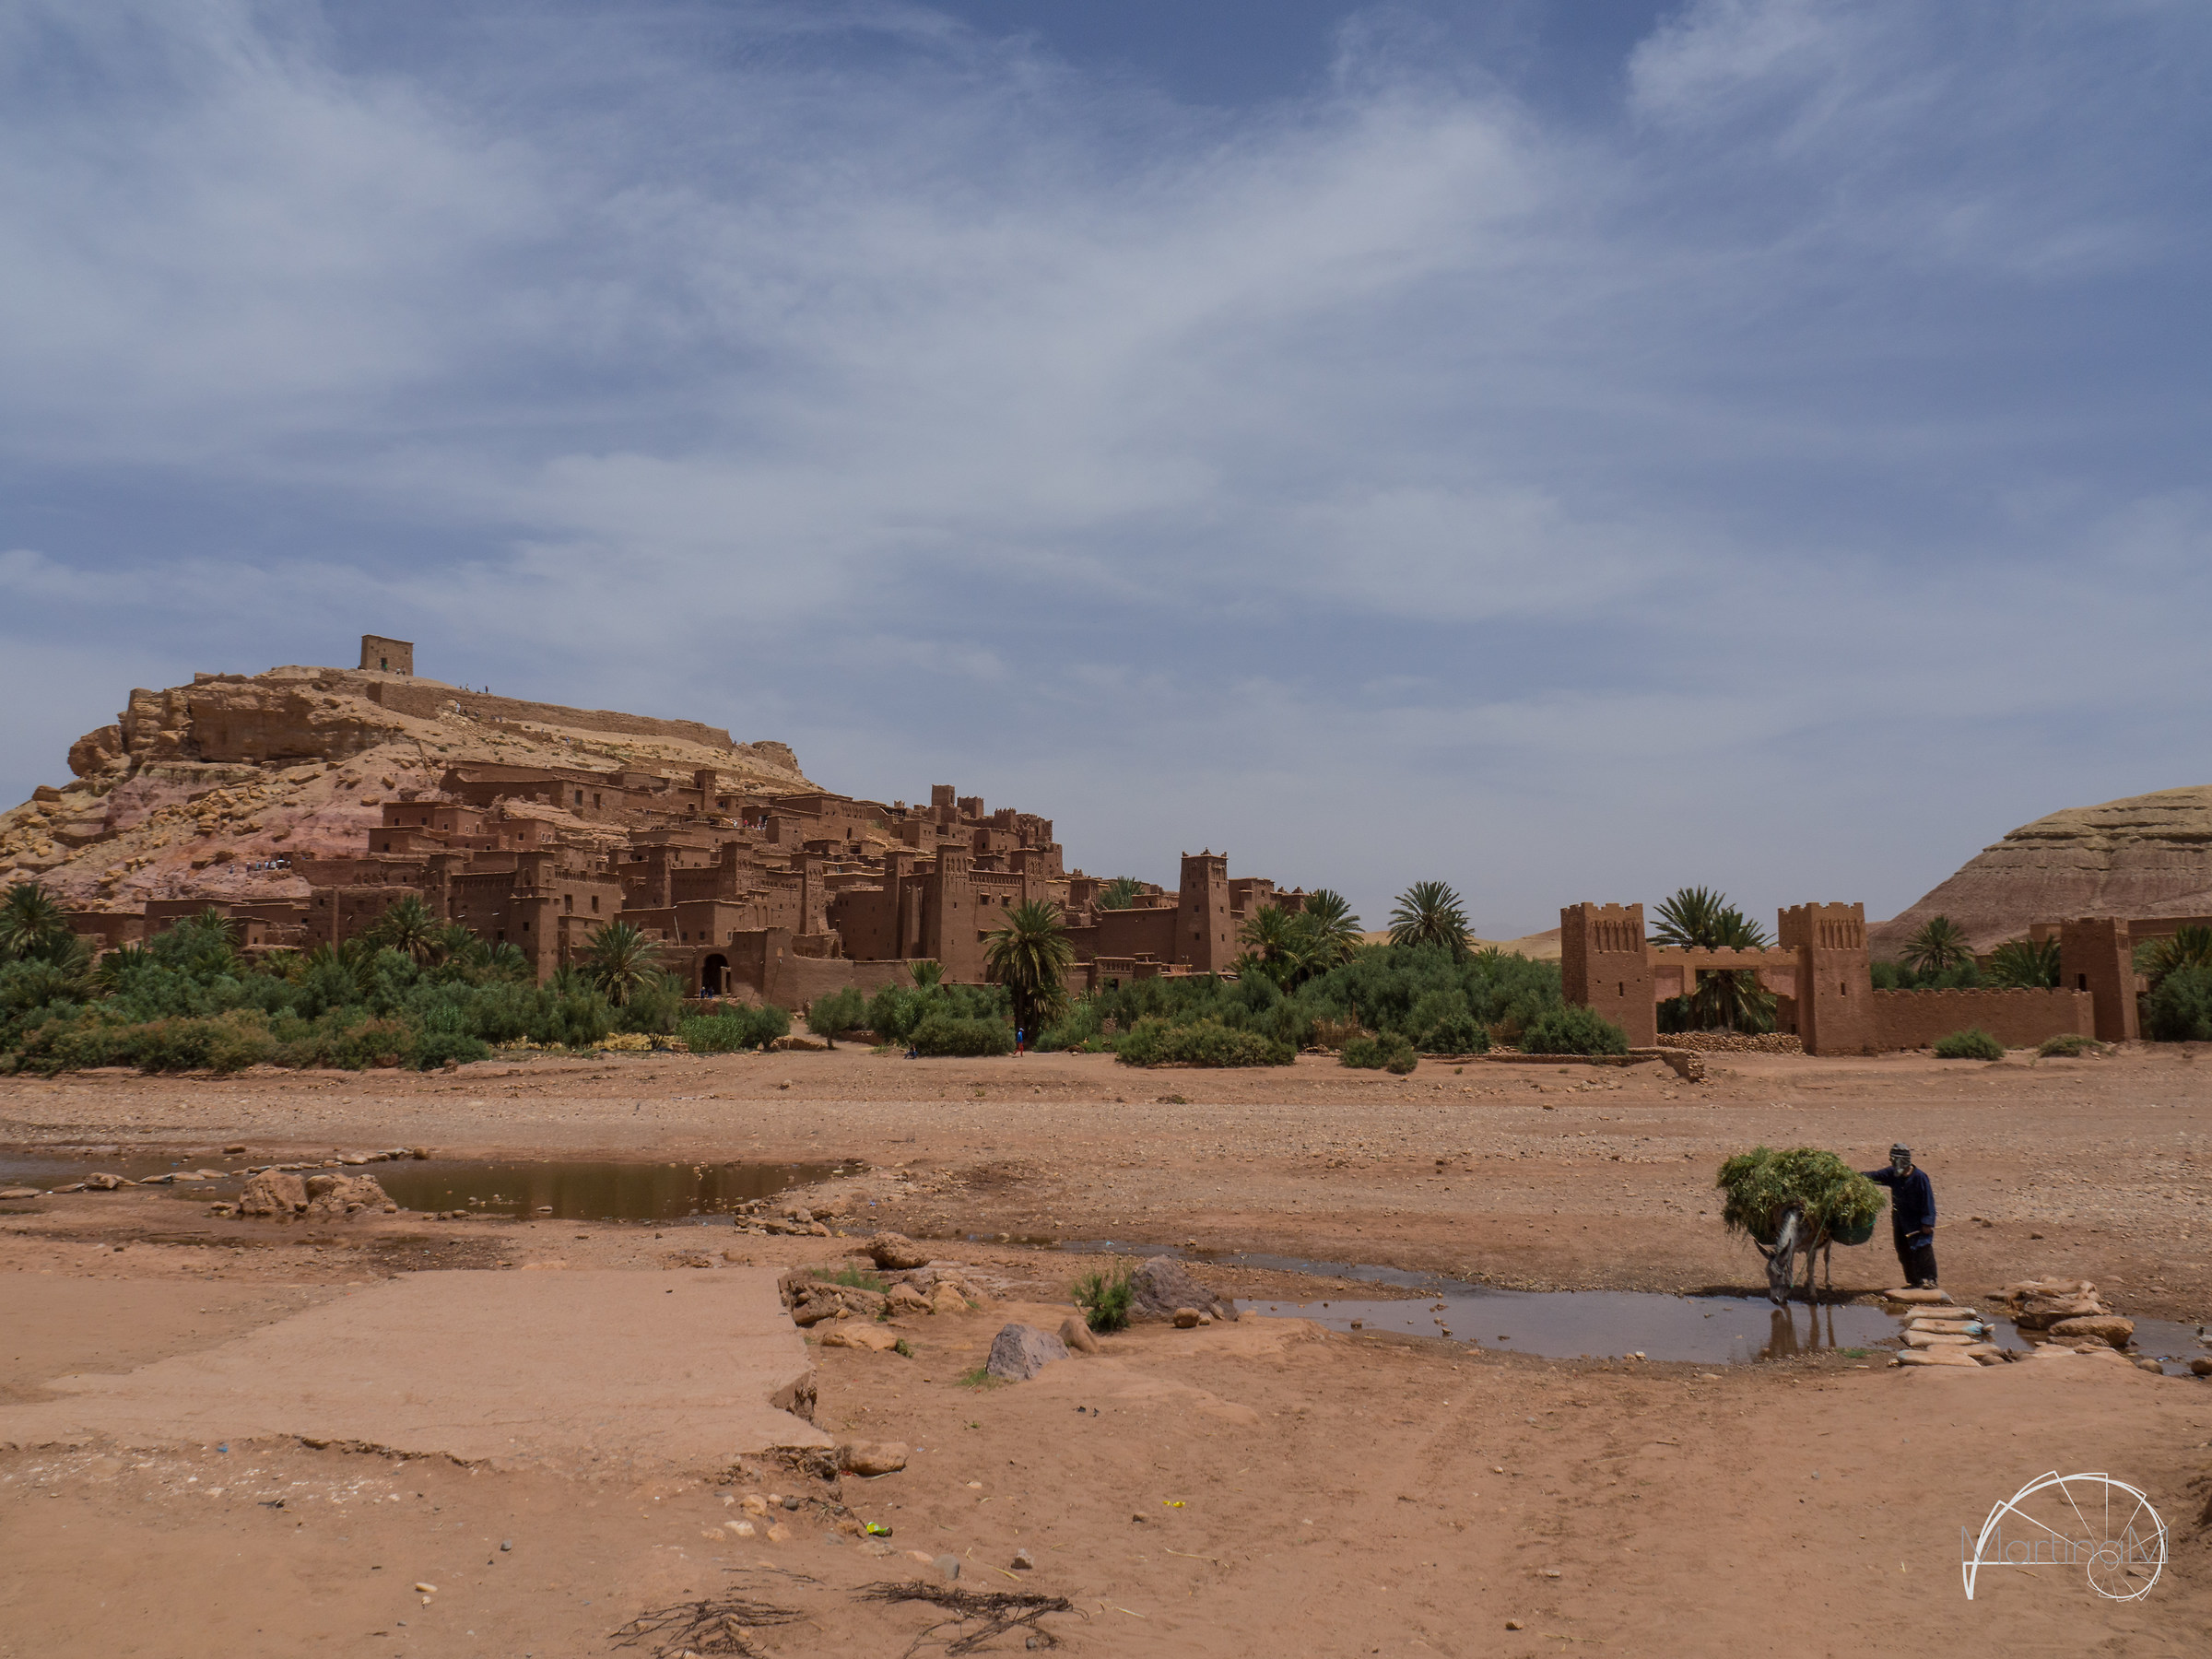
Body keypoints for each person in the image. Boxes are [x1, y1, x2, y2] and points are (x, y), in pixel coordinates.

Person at [1864, 1142, 1937, 1288]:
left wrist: (1928, 1222)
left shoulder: (1920, 1177)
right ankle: (1914, 1281)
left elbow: (1928, 1201)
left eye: (1893, 1160)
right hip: (1900, 1219)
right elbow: (1874, 1176)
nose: (1891, 1163)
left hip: (1917, 1221)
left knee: (1922, 1248)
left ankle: (1930, 1280)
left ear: (1902, 1160)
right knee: (1903, 1250)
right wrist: (1854, 1177)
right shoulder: (1892, 1174)